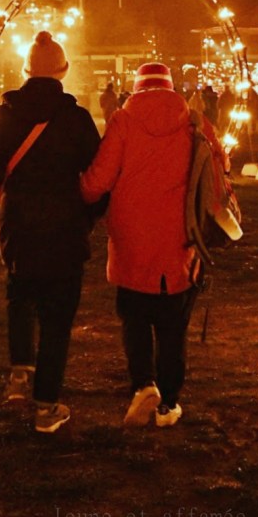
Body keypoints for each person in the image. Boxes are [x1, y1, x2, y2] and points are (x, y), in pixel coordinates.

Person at [0, 31, 100, 434]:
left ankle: (20, 368)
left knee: (20, 291)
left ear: (25, 70)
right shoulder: (77, 120)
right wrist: (89, 215)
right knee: (58, 319)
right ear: (64, 71)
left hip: (19, 226)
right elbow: (98, 177)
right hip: (65, 229)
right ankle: (46, 406)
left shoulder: (3, 115)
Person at [80, 61, 198, 429]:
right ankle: (169, 403)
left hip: (132, 237)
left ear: (136, 88)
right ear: (170, 88)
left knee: (134, 315)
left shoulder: (122, 121)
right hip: (180, 237)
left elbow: (96, 182)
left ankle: (143, 384)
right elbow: (219, 168)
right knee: (173, 323)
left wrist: (82, 190)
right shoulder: (195, 123)